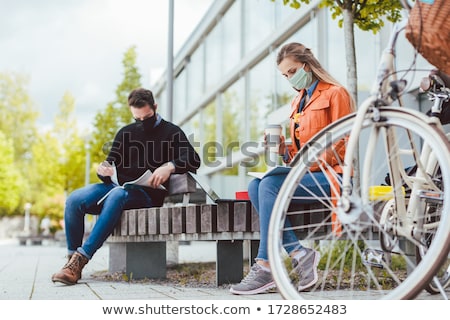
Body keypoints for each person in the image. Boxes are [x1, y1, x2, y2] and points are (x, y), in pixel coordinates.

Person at [230, 42, 355, 295]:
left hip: (333, 178)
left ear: (306, 66)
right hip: (307, 175)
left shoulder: (336, 93)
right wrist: (283, 150)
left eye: (292, 71)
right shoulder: (297, 102)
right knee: (256, 185)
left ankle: (266, 265)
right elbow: (298, 153)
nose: (289, 78)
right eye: (285, 75)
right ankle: (299, 253)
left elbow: (343, 145)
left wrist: (304, 163)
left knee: (269, 184)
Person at [51, 88, 201, 285]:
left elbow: (193, 159)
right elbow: (110, 162)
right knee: (74, 200)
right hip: (117, 188)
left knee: (117, 195)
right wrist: (102, 170)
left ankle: (81, 260)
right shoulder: (125, 133)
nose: (142, 123)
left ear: (155, 107)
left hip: (146, 195)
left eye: (146, 117)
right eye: (137, 119)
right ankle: (70, 260)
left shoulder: (171, 132)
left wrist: (170, 166)